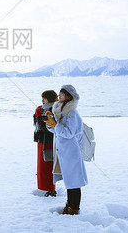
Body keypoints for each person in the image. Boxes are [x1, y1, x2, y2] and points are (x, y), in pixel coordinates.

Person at [44, 84, 88, 215]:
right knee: (69, 181)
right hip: (63, 152)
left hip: (71, 152)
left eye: (61, 94)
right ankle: (69, 204)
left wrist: (55, 125)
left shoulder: (72, 113)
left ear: (68, 96)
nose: (58, 96)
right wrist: (50, 123)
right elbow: (57, 131)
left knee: (74, 181)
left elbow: (68, 133)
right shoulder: (62, 111)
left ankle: (74, 208)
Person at [33, 90, 58, 197]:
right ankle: (48, 187)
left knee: (47, 165)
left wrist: (38, 115)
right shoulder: (51, 108)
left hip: (48, 141)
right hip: (45, 141)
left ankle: (51, 188)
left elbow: (44, 126)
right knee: (45, 165)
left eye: (44, 98)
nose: (42, 100)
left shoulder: (53, 109)